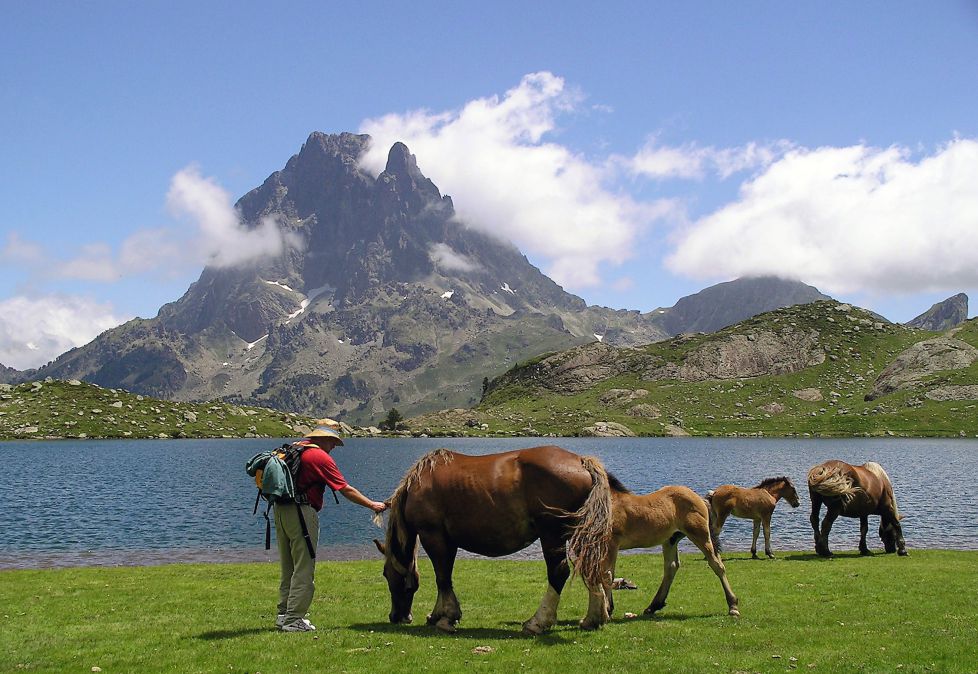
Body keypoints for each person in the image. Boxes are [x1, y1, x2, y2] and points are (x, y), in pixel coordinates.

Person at [275, 420, 387, 632]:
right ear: (323, 438)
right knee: (304, 566)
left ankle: (283, 615)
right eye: (333, 441)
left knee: (288, 565)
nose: (335, 446)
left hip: (280, 510)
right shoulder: (318, 456)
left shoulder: (295, 448)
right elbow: (345, 489)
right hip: (302, 512)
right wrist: (372, 504)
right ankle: (293, 620)